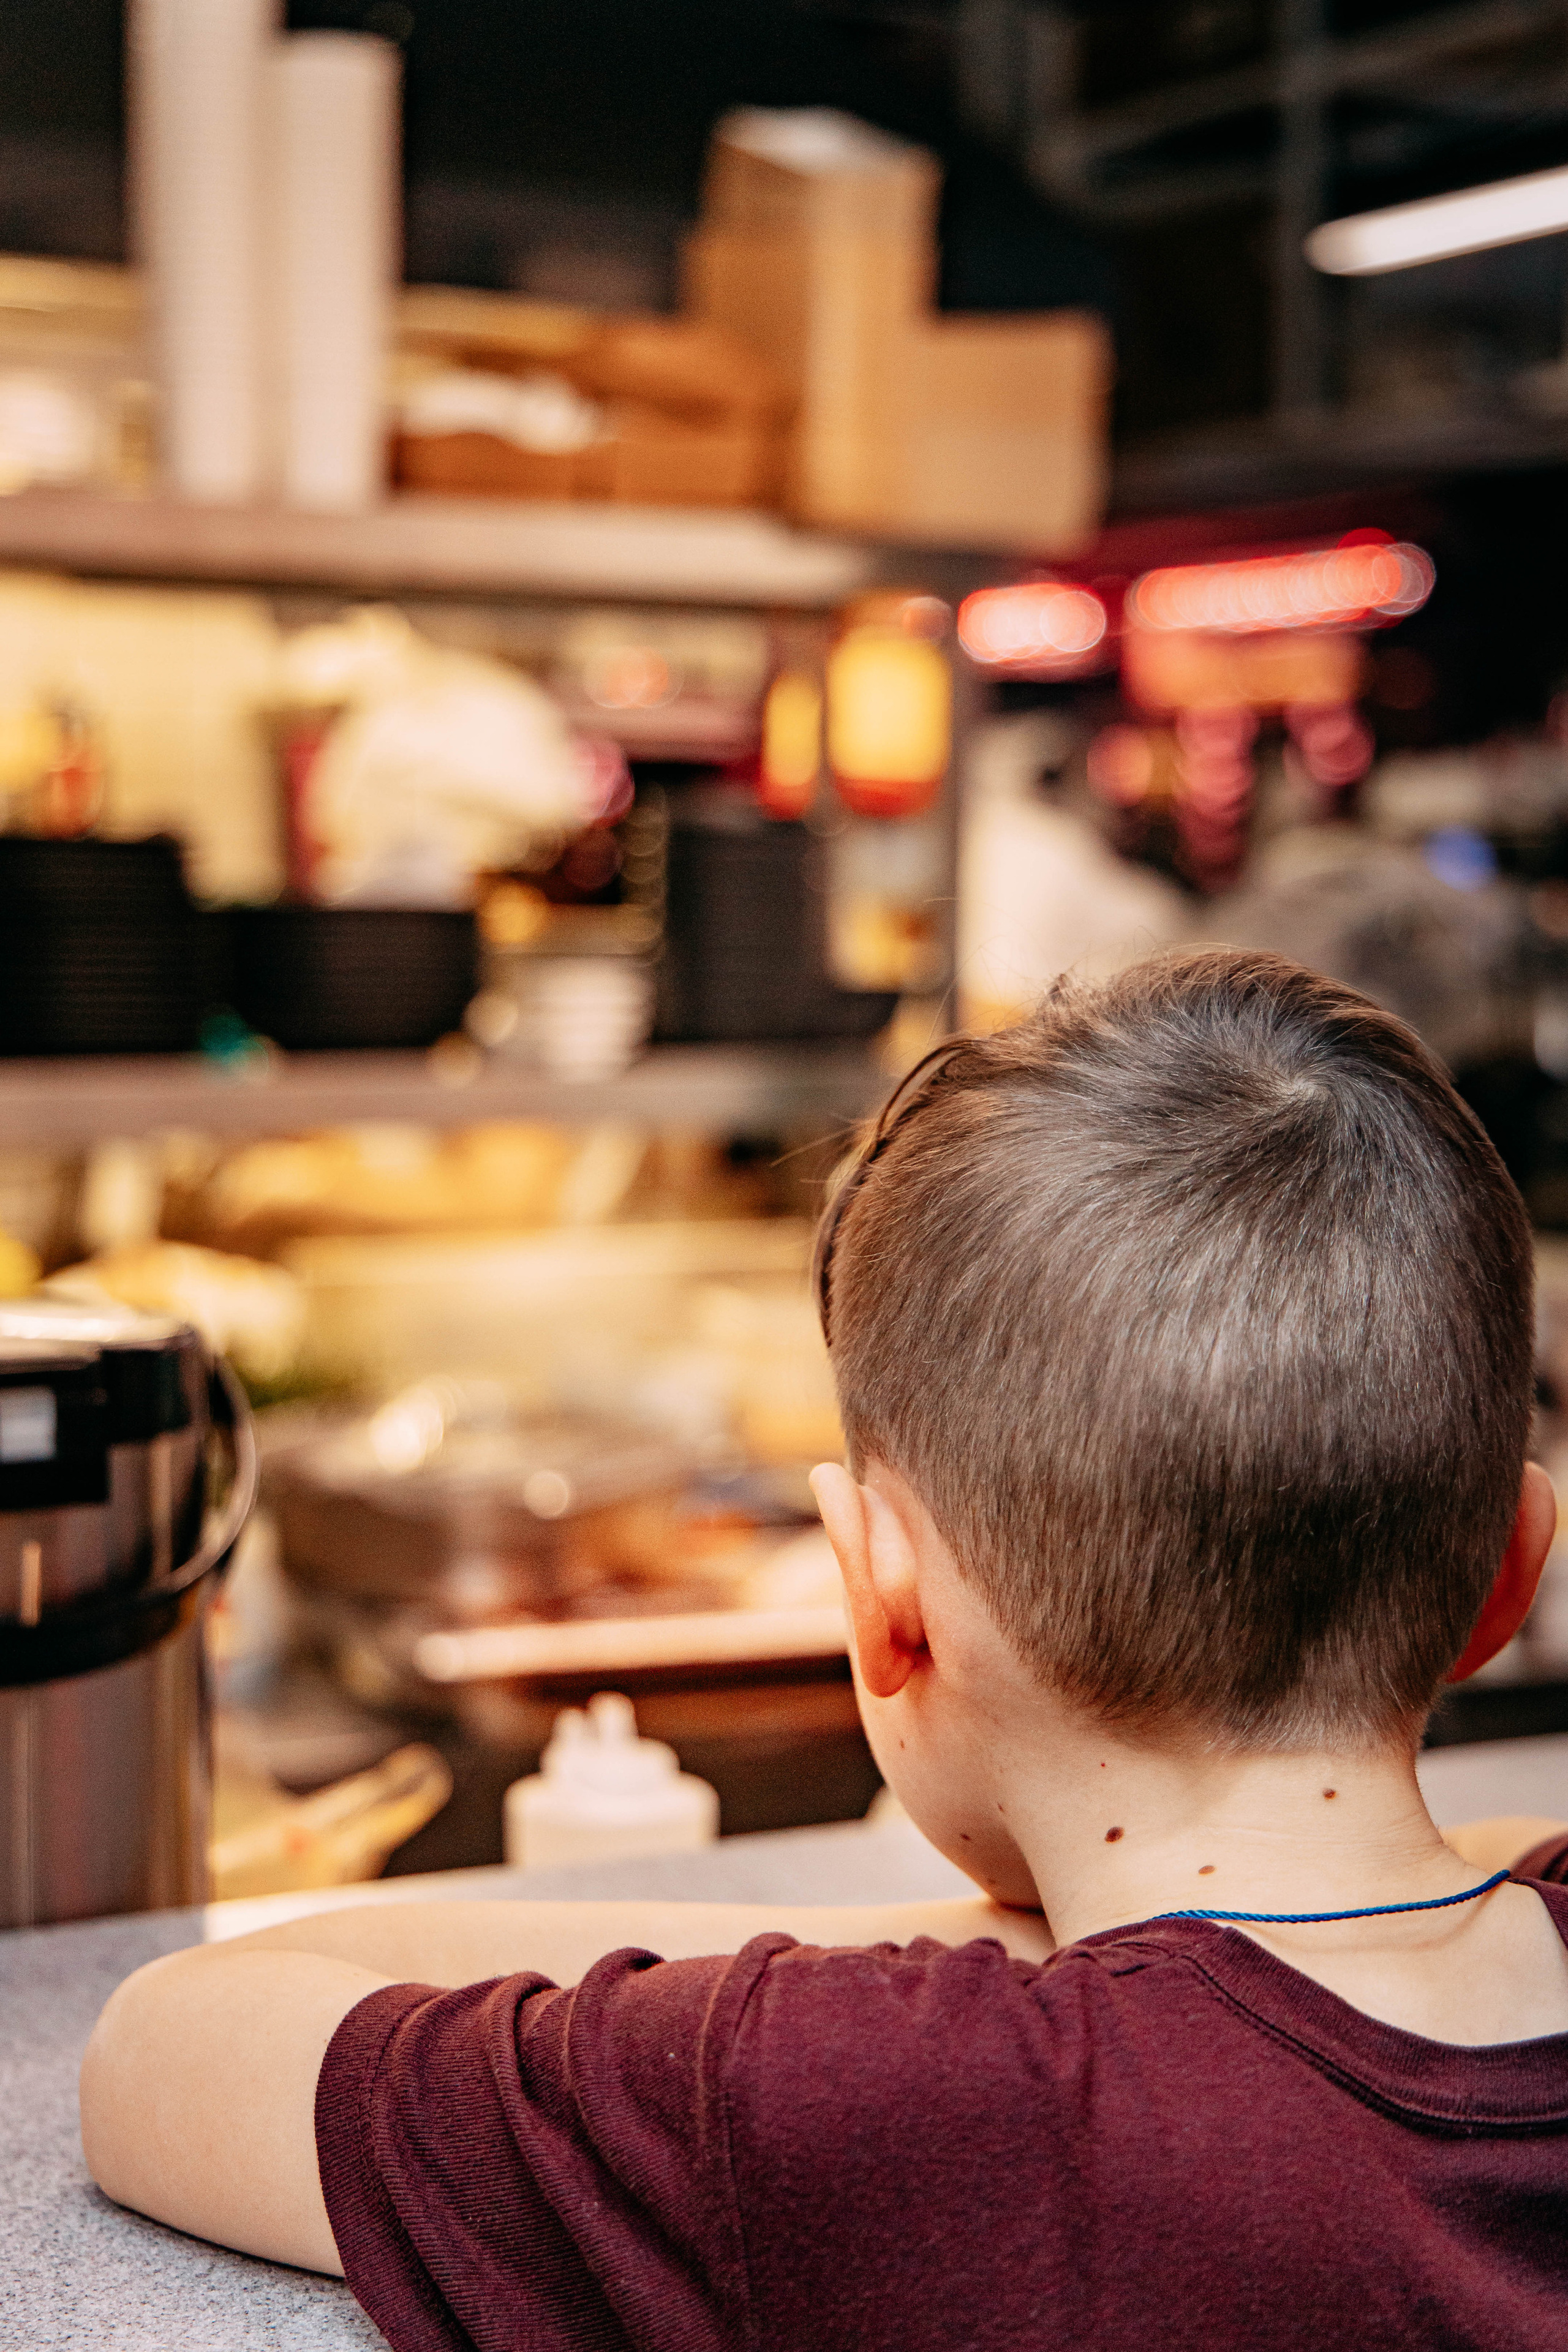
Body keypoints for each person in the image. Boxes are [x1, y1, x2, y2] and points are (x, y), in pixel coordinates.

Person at [81, 948, 1568, 2352]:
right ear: (1505, 1572)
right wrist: (1110, 1953)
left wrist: (949, 1970)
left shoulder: (878, 2103)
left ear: (880, 1604)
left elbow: (164, 2046)